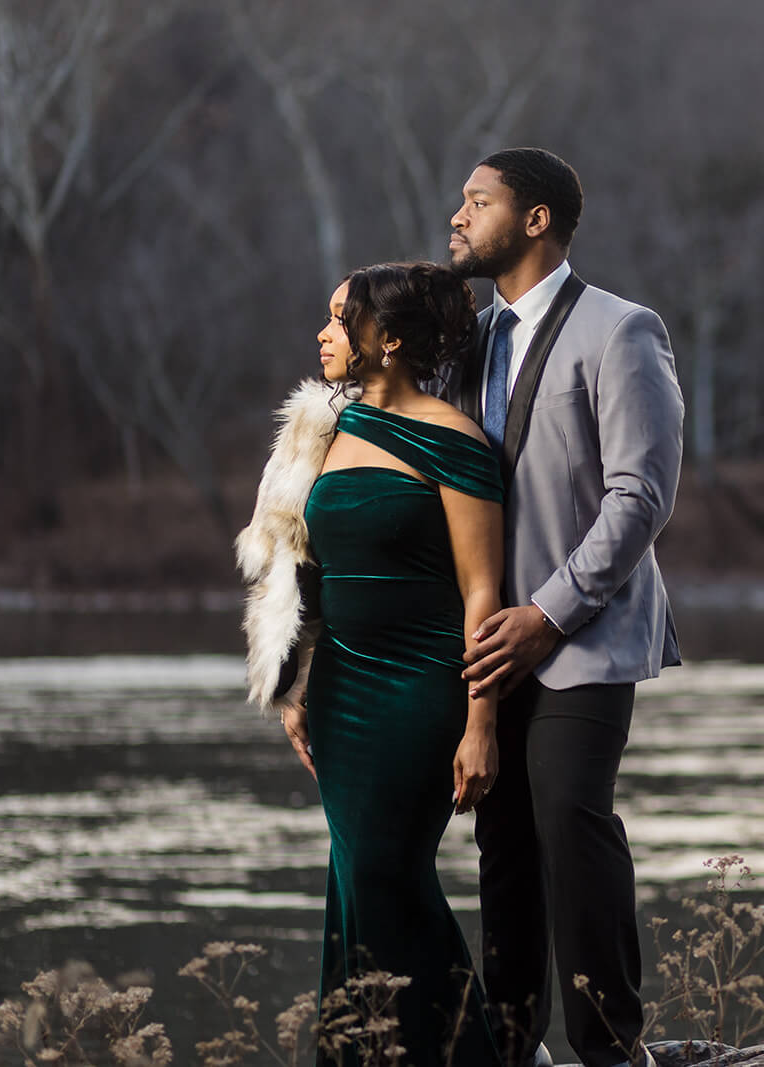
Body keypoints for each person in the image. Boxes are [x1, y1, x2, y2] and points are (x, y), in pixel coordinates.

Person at [443, 147, 684, 1067]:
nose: (458, 216)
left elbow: (641, 496)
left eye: (478, 201)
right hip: (482, 647)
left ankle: (612, 1048)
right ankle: (512, 1047)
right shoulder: (466, 341)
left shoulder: (623, 330)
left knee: (571, 820)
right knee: (500, 845)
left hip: (583, 636)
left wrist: (546, 611)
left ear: (535, 218)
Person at [236, 261, 506, 1067]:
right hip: (343, 687)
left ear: (386, 340)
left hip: (423, 689)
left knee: (389, 875)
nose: (322, 334)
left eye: (337, 319)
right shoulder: (324, 428)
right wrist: (297, 683)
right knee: (355, 879)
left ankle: (465, 1055)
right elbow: (300, 564)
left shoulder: (456, 442)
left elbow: (482, 585)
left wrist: (481, 722)